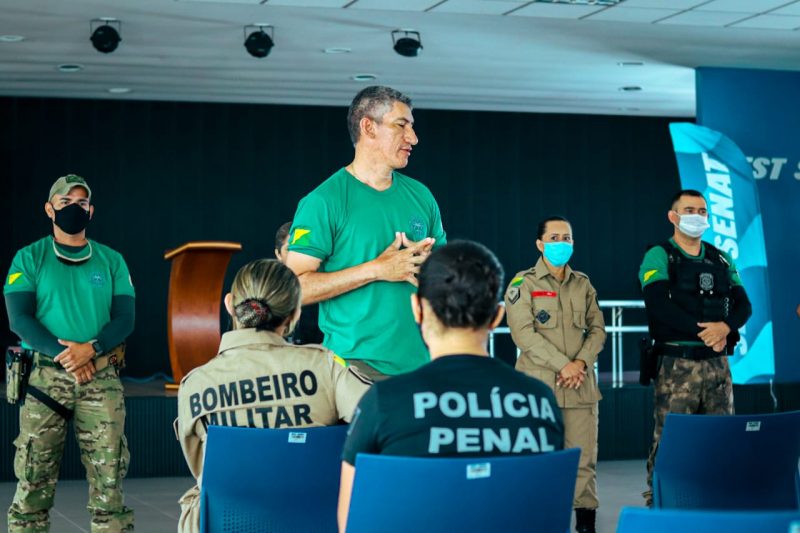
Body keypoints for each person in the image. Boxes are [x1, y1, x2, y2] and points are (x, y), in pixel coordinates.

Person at [337, 240, 565, 531]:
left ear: (417, 309)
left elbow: (351, 522)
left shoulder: (383, 401)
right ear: (497, 316)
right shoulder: (541, 401)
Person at [176, 258, 370, 533]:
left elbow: (199, 468)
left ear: (230, 304)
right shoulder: (325, 367)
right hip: (315, 522)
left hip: (229, 525)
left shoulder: (195, 385)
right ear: (295, 314)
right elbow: (379, 420)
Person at [285, 85, 447, 381]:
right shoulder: (323, 202)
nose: (413, 138)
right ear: (368, 127)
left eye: (412, 127)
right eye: (401, 125)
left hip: (422, 366)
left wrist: (434, 271)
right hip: (355, 369)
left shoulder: (422, 196)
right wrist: (376, 270)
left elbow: (447, 278)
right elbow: (292, 289)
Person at [4, 174, 135, 532]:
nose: (74, 208)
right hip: (44, 380)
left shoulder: (111, 260)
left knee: (110, 482)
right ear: (50, 209)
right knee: (33, 480)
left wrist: (90, 350)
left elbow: (125, 318)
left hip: (100, 376)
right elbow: (20, 319)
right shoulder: (29, 258)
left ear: (91, 211)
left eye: (81, 203)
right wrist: (68, 356)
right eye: (65, 202)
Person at [639, 189, 752, 506]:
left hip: (717, 366)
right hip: (678, 365)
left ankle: (717, 505)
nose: (697, 216)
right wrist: (706, 332)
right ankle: (662, 505)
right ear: (673, 216)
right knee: (672, 441)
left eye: (702, 211)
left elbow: (744, 305)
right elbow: (658, 304)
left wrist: (725, 328)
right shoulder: (659, 255)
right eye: (689, 210)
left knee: (721, 439)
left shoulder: (721, 258)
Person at [504, 216, 606, 533]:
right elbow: (523, 335)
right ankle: (536, 522)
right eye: (554, 238)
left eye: (567, 238)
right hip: (539, 391)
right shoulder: (523, 284)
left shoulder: (583, 284)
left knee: (583, 461)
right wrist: (564, 365)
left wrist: (581, 363)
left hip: (579, 387)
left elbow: (598, 330)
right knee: (536, 459)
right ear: (540, 244)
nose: (561, 243)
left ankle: (585, 525)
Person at [275, 220, 324, 345]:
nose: (296, 255)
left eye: (301, 250)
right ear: (278, 254)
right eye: (290, 249)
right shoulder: (268, 289)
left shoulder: (324, 287)